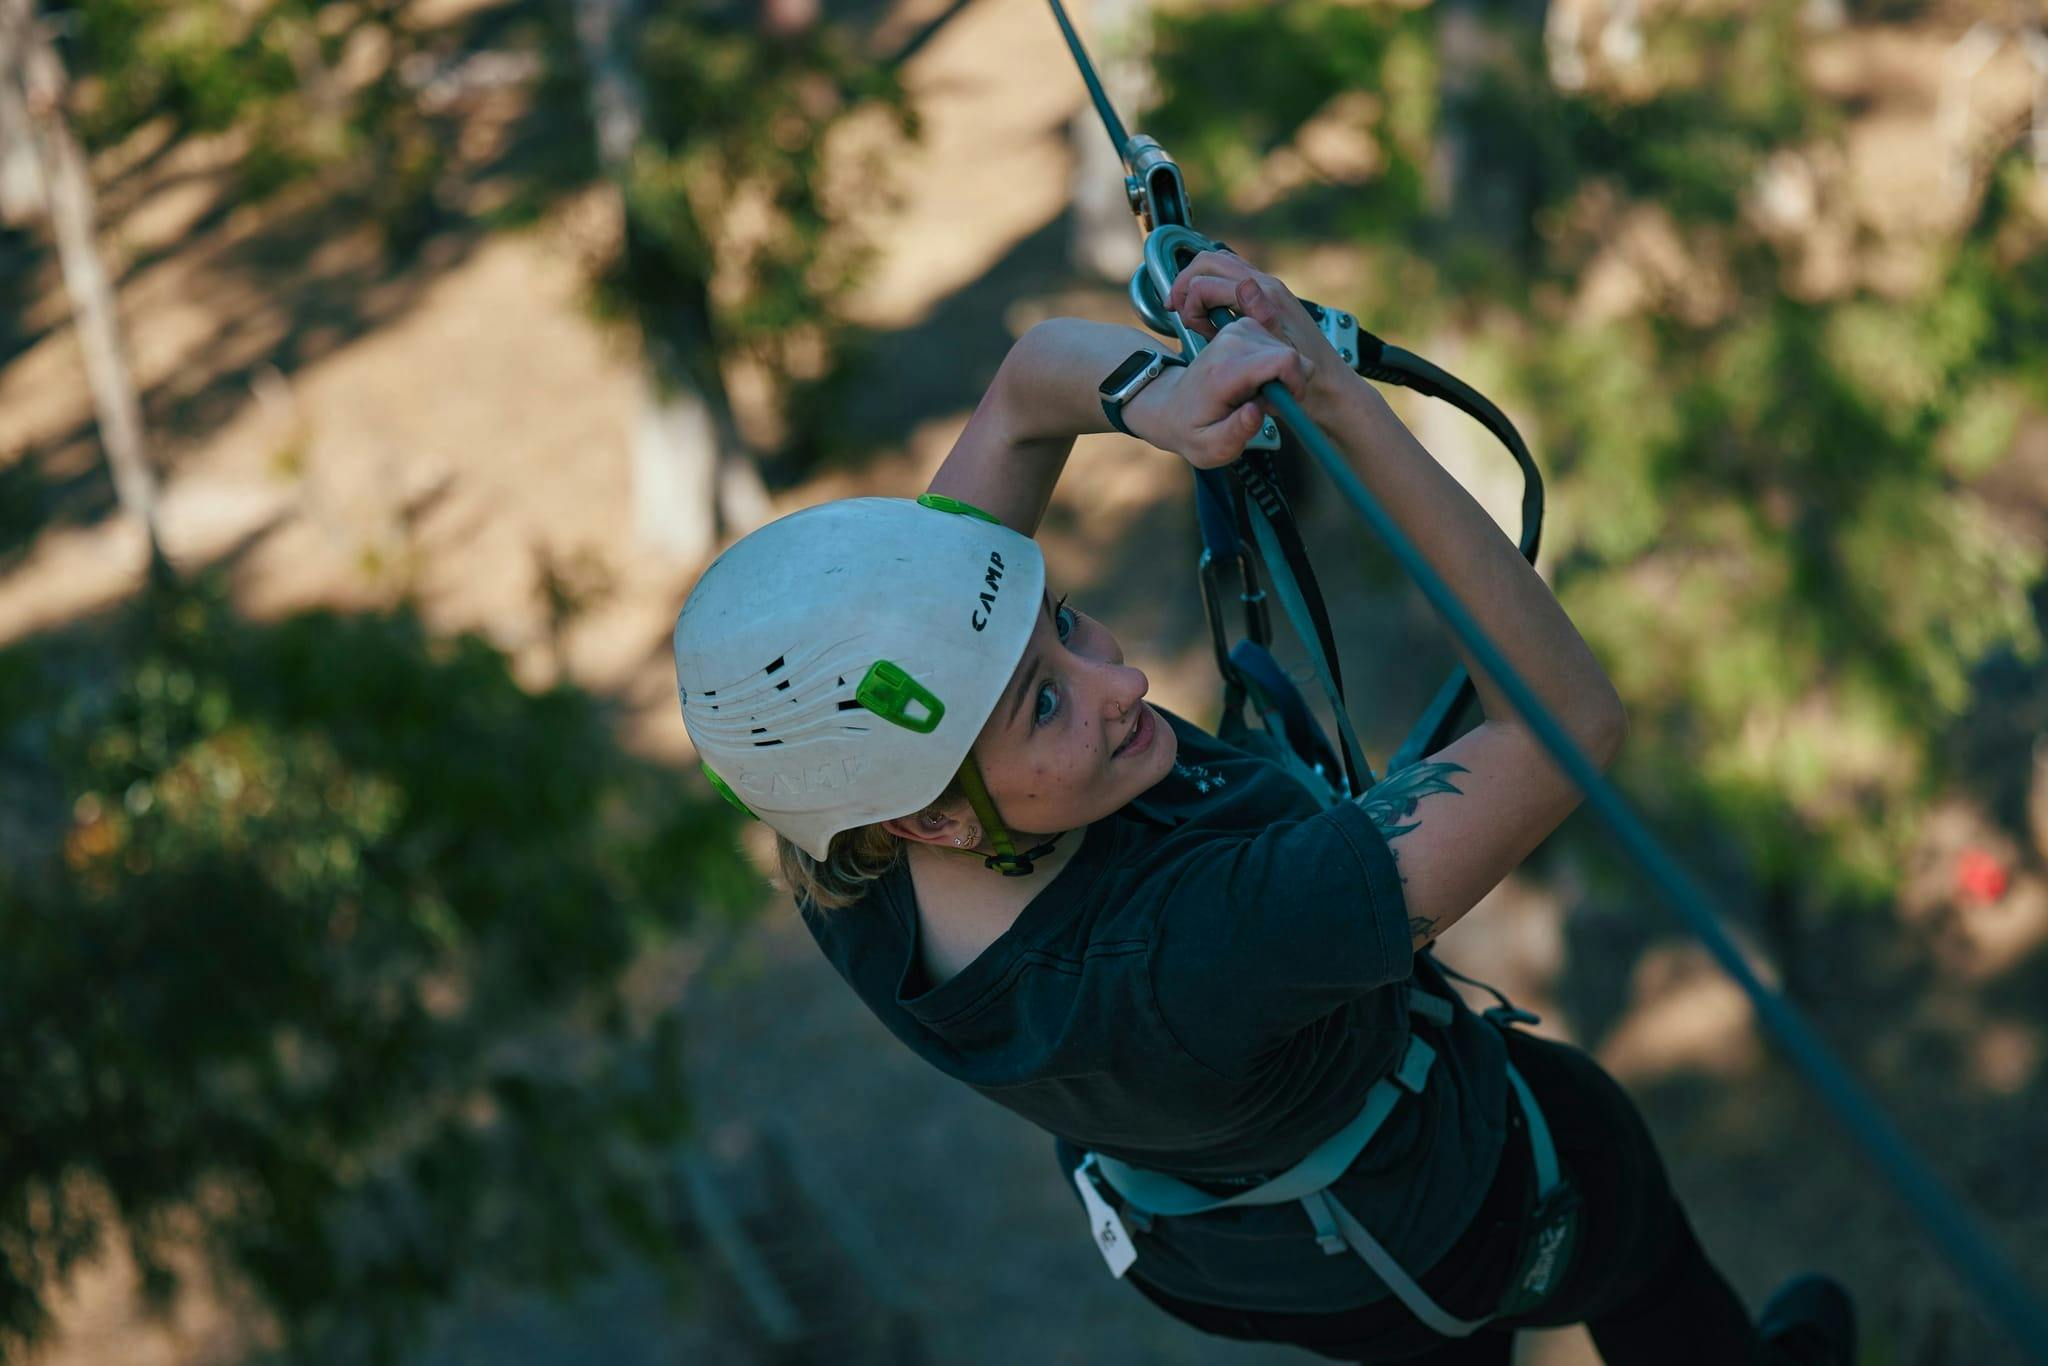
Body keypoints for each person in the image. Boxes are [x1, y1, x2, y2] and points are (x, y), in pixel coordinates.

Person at [673, 249, 1855, 1364]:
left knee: (1429, 1335)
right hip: (1444, 1198)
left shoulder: (852, 843)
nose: (1120, 681)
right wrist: (1333, 398)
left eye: (1068, 623)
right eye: (1044, 703)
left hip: (1234, 1245)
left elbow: (1031, 386)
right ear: (924, 818)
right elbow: (1562, 730)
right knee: (1637, 1256)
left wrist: (1157, 398)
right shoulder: (1186, 954)